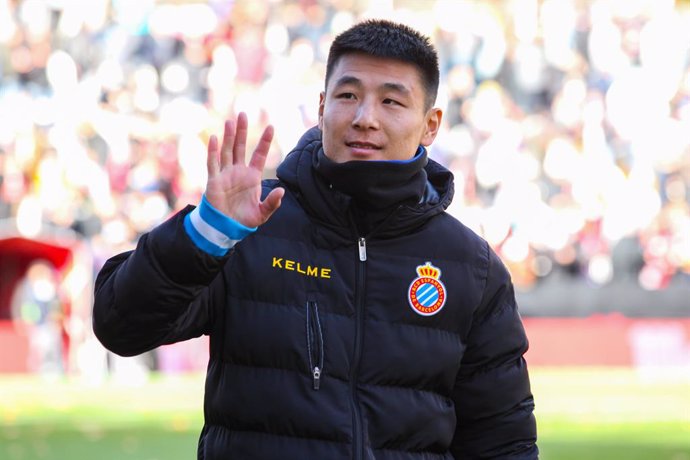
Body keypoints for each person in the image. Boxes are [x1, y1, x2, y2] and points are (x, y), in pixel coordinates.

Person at [93, 19, 538, 459]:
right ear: (322, 105)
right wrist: (204, 233)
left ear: (431, 124)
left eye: (391, 102)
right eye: (348, 96)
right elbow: (120, 325)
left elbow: (503, 442)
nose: (365, 118)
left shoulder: (470, 266)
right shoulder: (247, 223)